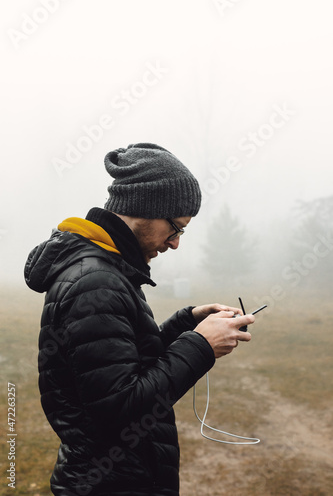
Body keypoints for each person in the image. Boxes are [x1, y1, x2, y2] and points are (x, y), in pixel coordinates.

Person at [24, 143, 255, 496]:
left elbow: (121, 367)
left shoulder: (107, 270)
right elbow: (120, 411)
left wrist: (185, 324)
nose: (175, 243)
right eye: (175, 228)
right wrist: (201, 346)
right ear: (144, 210)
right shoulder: (95, 281)